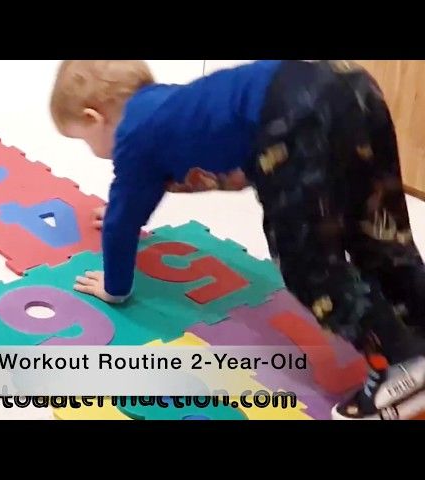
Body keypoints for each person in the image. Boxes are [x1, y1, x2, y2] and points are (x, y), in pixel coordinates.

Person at [49, 60, 425, 420]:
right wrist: (124, 207)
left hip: (291, 115)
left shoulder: (132, 134)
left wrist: (114, 287)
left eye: (85, 141)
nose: (94, 152)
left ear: (92, 118)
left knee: (309, 266)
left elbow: (122, 222)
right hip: (346, 83)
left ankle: (402, 364)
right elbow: (153, 188)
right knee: (378, 230)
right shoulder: (173, 104)